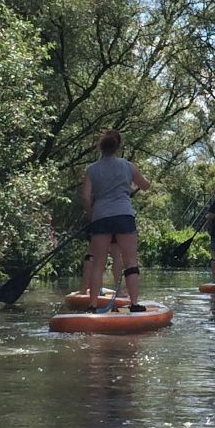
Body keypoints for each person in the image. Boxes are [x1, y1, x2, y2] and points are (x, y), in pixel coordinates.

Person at [81, 129, 151, 311]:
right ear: (118, 146)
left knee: (98, 263)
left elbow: (86, 197)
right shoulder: (129, 166)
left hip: (101, 217)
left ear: (101, 147)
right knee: (130, 261)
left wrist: (92, 214)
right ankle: (134, 304)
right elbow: (145, 185)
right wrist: (139, 182)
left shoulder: (91, 169)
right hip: (124, 215)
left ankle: (93, 304)